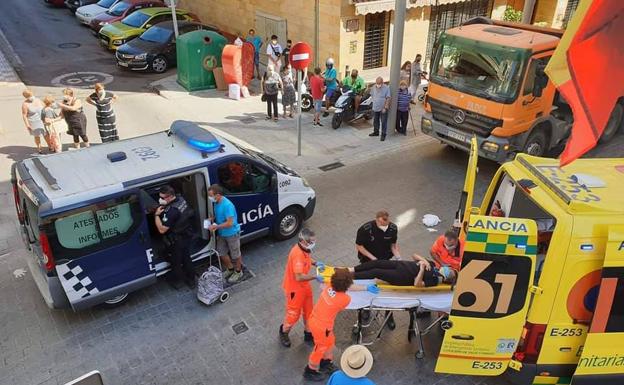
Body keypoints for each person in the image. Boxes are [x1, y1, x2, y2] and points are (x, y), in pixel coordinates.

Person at [304, 269, 376, 382]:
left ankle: (326, 362)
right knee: (320, 347)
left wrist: (365, 287)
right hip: (322, 327)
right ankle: (310, 370)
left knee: (330, 342)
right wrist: (365, 288)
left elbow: (345, 287)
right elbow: (347, 289)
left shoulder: (328, 286)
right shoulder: (345, 299)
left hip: (316, 320)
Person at [355, 210, 399, 328]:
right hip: (368, 261)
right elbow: (359, 246)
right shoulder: (365, 229)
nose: (386, 226)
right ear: (377, 220)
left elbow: (393, 245)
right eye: (383, 224)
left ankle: (388, 313)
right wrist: (373, 258)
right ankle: (366, 308)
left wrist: (398, 257)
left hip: (385, 261)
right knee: (367, 285)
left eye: (388, 223)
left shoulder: (393, 228)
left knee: (387, 287)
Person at [279, 228, 321, 348]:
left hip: (304, 287)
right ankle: (284, 331)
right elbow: (299, 277)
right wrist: (315, 277)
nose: (314, 243)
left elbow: (307, 259)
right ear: (303, 241)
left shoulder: (304, 249)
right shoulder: (297, 254)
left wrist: (315, 263)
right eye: (311, 241)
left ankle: (308, 333)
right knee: (293, 315)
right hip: (295, 289)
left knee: (309, 311)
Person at [154, 185, 196, 289]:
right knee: (186, 257)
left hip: (177, 239)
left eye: (162, 198)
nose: (160, 200)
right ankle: (191, 280)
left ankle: (177, 281)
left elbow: (161, 229)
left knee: (176, 261)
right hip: (187, 233)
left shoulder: (171, 211)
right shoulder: (181, 199)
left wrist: (156, 215)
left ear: (169, 197)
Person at [207, 184, 244, 284]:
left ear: (218, 195)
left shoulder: (228, 205)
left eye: (211, 195)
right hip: (222, 233)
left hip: (231, 233)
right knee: (221, 253)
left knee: (235, 255)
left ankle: (238, 271)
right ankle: (230, 269)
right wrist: (213, 218)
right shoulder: (217, 202)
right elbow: (219, 214)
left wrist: (216, 227)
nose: (210, 198)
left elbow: (230, 223)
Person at [348, 254, 456, 287]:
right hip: (401, 265)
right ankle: (352, 269)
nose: (447, 269)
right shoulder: (432, 265)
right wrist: (424, 260)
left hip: (401, 277)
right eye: (449, 269)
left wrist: (422, 269)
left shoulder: (434, 280)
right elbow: (414, 256)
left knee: (377, 272)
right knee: (377, 262)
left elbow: (417, 284)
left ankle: (350, 277)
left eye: (448, 272)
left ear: (445, 277)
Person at [21, 89, 50, 154]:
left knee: (46, 134)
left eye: (31, 95)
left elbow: (45, 108)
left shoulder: (38, 100)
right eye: (28, 96)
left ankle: (50, 146)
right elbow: (24, 115)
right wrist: (27, 125)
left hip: (42, 120)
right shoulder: (25, 104)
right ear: (26, 97)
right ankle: (39, 148)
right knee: (37, 136)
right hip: (33, 122)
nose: (31, 97)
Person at [368, 77, 390, 141]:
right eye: (377, 83)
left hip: (383, 108)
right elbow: (372, 95)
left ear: (382, 82)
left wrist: (385, 107)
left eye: (379, 83)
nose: (378, 85)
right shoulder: (374, 87)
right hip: (375, 107)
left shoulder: (386, 88)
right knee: (375, 121)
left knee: (383, 122)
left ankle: (383, 134)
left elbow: (388, 98)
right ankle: (376, 132)